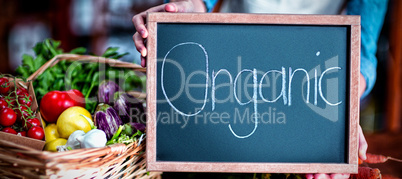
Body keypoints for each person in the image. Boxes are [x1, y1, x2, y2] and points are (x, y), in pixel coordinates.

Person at [132, 0, 388, 178]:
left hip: (314, 71)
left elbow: (361, 44)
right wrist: (181, 11)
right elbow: (196, 2)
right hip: (226, 58)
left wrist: (344, 105)